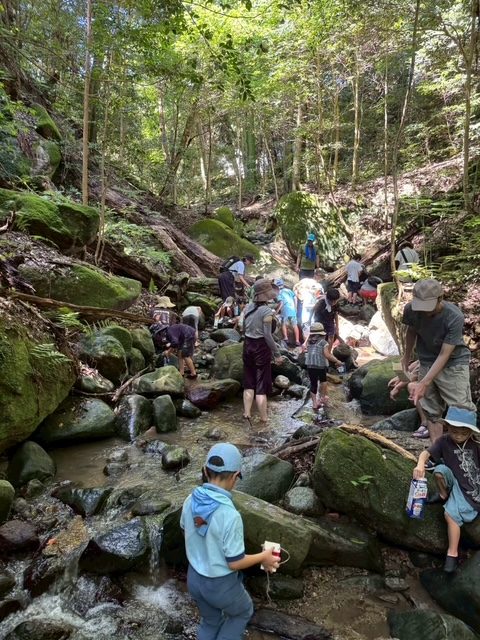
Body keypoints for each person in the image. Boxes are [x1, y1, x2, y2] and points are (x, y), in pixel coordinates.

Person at [180, 443, 280, 640]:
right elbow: (235, 562)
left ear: (205, 471)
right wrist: (264, 557)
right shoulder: (230, 515)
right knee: (242, 612)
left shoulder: (190, 500)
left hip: (194, 578)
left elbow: (186, 533)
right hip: (220, 585)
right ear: (235, 477)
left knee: (210, 621)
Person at [402, 278, 475, 441]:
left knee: (461, 409)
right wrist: (406, 357)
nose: (424, 312)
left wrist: (423, 383)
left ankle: (467, 451)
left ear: (440, 298)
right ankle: (436, 450)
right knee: (430, 409)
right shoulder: (411, 309)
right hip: (426, 361)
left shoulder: (454, 316)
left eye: (427, 307)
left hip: (453, 363)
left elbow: (444, 354)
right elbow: (411, 331)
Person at [413, 406, 480, 573]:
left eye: (463, 433)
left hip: (471, 486)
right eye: (454, 431)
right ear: (447, 427)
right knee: (439, 471)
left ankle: (452, 553)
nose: (458, 435)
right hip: (453, 479)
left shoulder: (476, 444)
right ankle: (443, 494)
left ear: (470, 432)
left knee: (450, 515)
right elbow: (426, 454)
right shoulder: (444, 441)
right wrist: (420, 464)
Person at [242, 278, 283, 424]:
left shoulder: (248, 307)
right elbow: (267, 335)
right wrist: (277, 354)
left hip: (247, 345)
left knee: (248, 381)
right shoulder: (266, 311)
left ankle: (247, 413)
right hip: (261, 348)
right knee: (261, 385)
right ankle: (264, 418)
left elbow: (243, 328)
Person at [304, 322, 342, 409]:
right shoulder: (323, 342)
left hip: (310, 365)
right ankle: (323, 398)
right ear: (321, 333)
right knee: (323, 381)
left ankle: (314, 403)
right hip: (320, 365)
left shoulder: (309, 342)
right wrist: (337, 360)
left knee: (313, 384)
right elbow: (327, 355)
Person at [275, 278, 300, 347]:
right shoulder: (289, 290)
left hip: (285, 310)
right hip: (292, 310)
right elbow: (295, 298)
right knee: (295, 325)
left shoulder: (279, 293)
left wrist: (276, 312)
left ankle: (286, 338)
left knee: (283, 324)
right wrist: (295, 307)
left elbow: (281, 303)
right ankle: (297, 340)